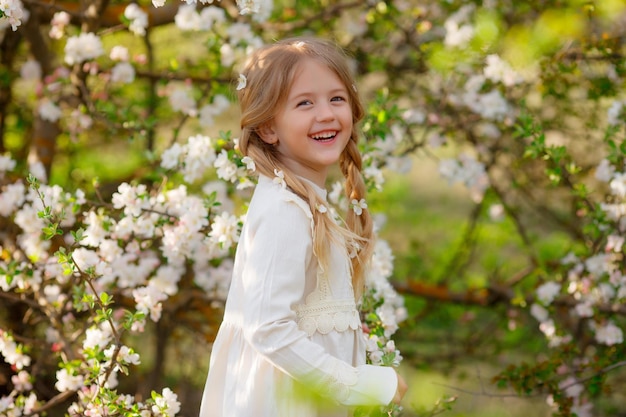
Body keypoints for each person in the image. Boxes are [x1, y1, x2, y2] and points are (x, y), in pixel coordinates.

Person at [199, 37, 408, 417]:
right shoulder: (285, 211)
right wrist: (361, 385)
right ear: (267, 129)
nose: (326, 114)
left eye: (336, 98)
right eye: (304, 103)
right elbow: (268, 329)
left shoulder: (304, 203)